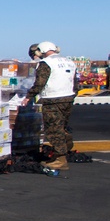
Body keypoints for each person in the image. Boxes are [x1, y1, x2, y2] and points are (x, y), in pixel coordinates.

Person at [22, 41, 76, 172]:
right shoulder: (69, 62)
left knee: (53, 129)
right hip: (68, 98)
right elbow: (75, 82)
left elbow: (40, 83)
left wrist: (29, 96)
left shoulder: (46, 63)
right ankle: (63, 148)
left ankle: (61, 160)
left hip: (53, 100)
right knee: (62, 126)